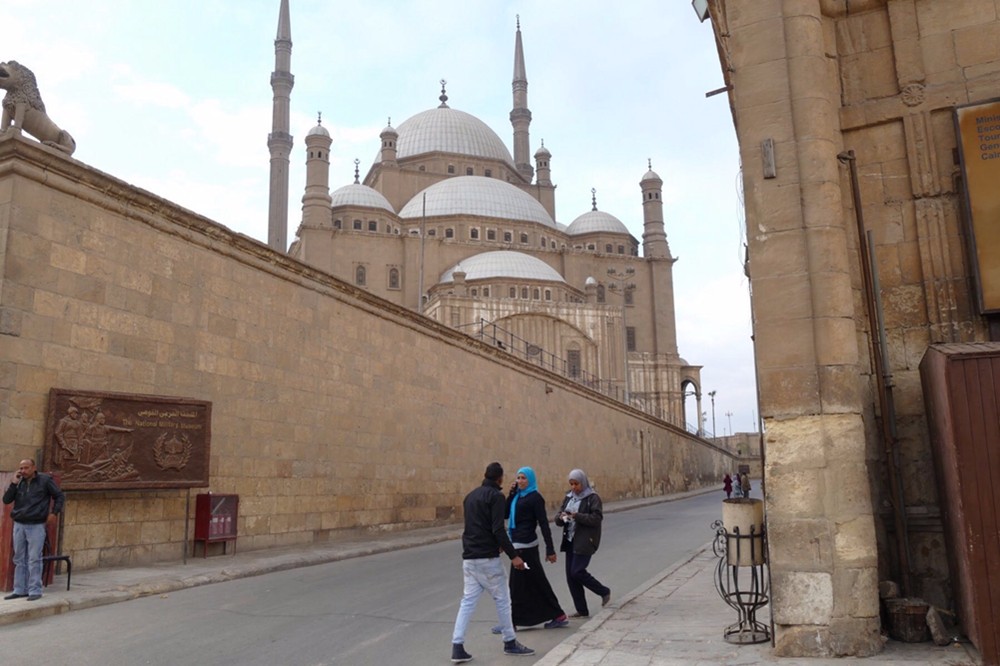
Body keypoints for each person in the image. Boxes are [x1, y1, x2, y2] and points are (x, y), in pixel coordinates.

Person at [450, 462, 534, 663]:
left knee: (467, 602)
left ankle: (457, 646)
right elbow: (498, 529)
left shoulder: (470, 497)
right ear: (500, 478)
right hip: (487, 558)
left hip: (470, 558)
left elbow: (477, 526)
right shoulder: (496, 496)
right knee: (503, 599)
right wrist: (514, 556)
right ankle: (510, 641)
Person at [502, 466, 568, 630]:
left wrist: (550, 549)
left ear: (530, 480)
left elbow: (544, 524)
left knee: (517, 585)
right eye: (518, 478)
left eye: (523, 478)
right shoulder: (517, 496)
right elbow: (505, 514)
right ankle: (557, 615)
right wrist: (511, 494)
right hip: (517, 543)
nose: (520, 481)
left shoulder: (535, 498)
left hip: (525, 547)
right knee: (535, 581)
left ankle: (511, 622)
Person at [3, 458, 65, 601]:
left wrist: (54, 513)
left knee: (34, 558)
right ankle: (20, 589)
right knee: (19, 558)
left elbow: (59, 496)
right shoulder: (19, 482)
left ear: (34, 468)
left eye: (26, 468)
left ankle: (35, 590)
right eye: (21, 468)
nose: (23, 471)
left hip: (36, 525)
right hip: (19, 524)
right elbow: (6, 500)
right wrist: (13, 483)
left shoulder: (45, 480)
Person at [555, 469, 611, 618]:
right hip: (570, 540)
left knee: (577, 571)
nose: (574, 487)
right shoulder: (569, 497)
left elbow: (596, 519)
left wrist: (577, 516)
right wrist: (561, 518)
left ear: (583, 482)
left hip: (585, 541)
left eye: (576, 484)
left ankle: (603, 591)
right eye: (571, 484)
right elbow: (558, 517)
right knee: (571, 576)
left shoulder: (592, 498)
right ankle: (581, 610)